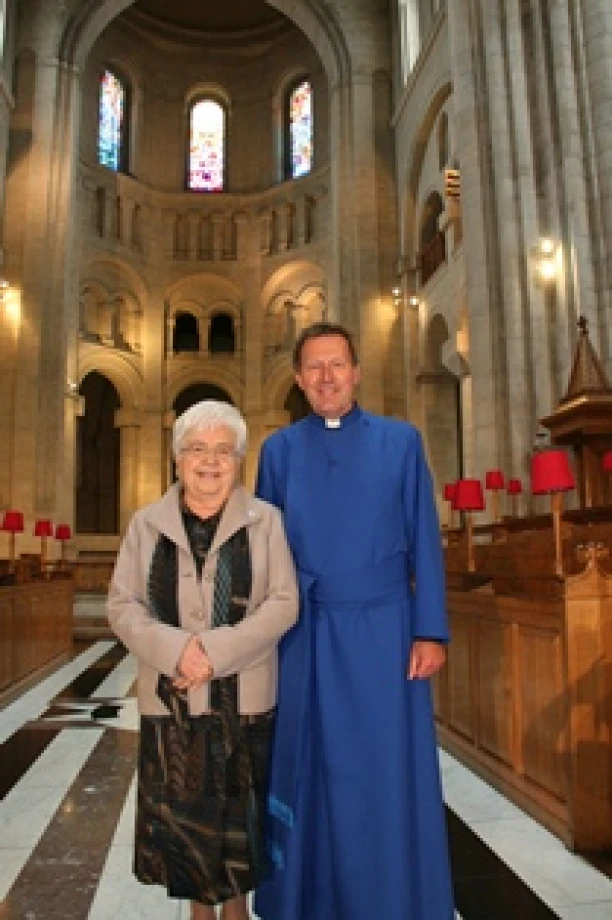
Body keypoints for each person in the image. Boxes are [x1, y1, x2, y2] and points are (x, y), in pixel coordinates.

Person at [254, 323, 454, 920]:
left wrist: (430, 629)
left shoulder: (400, 442)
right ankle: (309, 900)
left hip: (385, 634)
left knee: (382, 772)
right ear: (297, 380)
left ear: (357, 370)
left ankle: (392, 898)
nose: (326, 377)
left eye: (336, 364)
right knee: (309, 768)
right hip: (305, 633)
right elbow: (266, 554)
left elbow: (425, 538)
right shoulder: (279, 452)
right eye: (313, 368)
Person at [107, 400, 298, 920]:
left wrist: (213, 652)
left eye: (223, 451)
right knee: (188, 844)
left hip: (245, 707)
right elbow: (122, 606)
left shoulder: (267, 522)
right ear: (177, 458)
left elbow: (284, 603)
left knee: (238, 844)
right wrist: (178, 651)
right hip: (172, 710)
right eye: (197, 449)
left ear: (239, 460)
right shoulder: (145, 524)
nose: (210, 462)